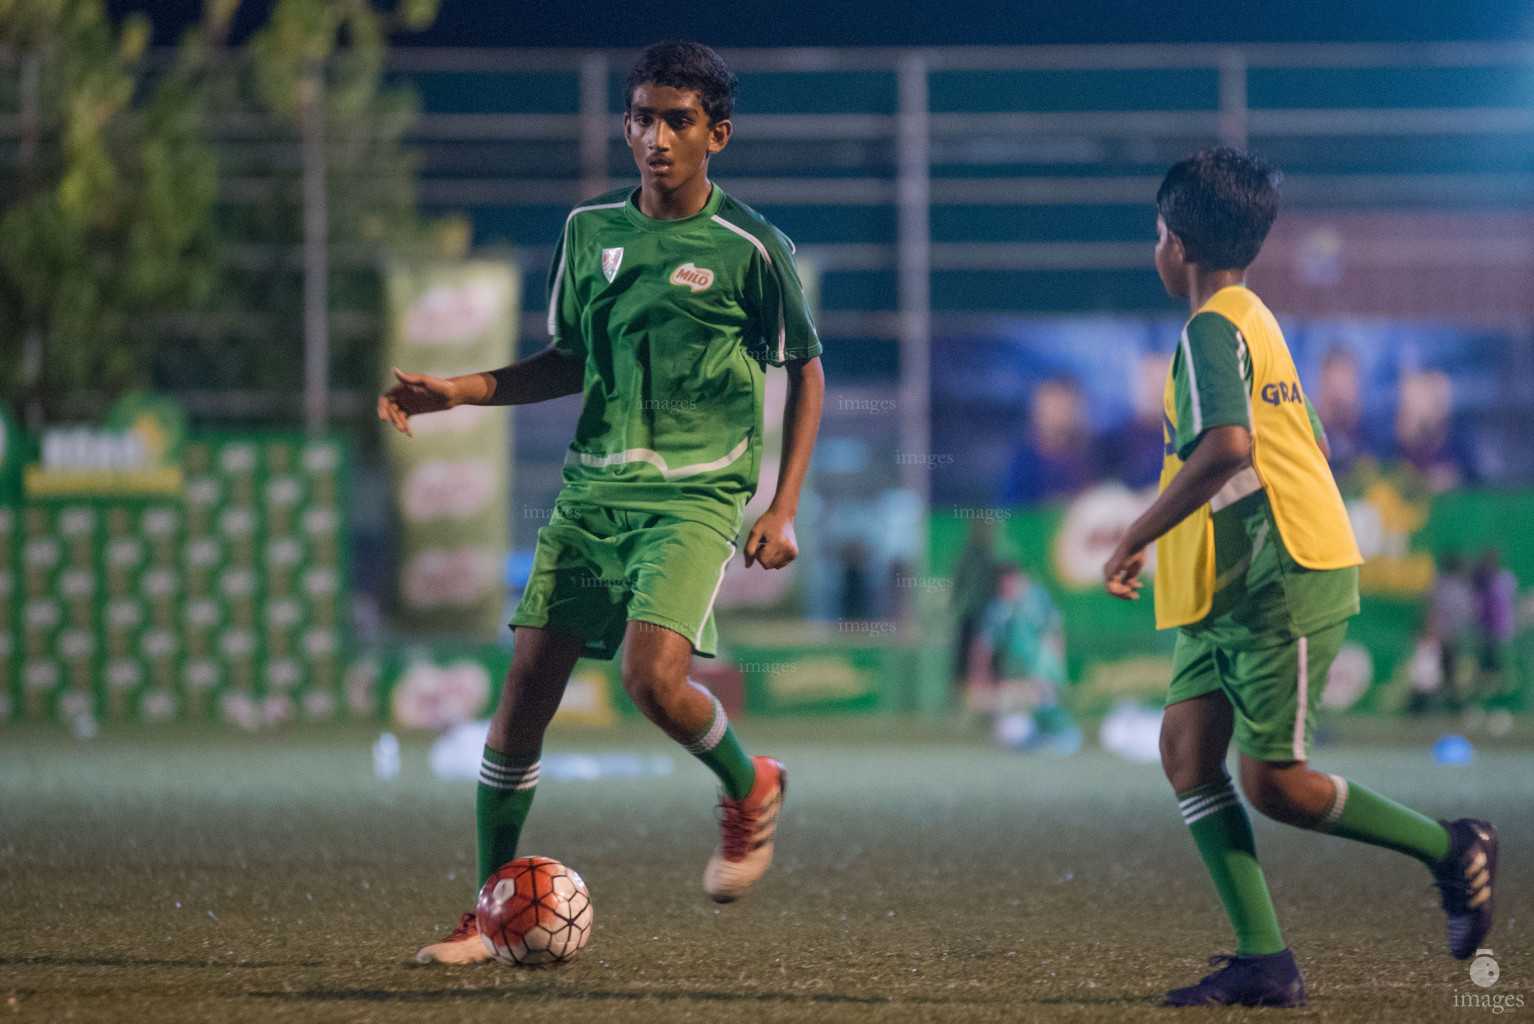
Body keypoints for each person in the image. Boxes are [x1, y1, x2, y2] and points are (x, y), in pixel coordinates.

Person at [379, 42, 825, 964]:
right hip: (594, 491)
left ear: (718, 135)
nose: (654, 137)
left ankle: (750, 787)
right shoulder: (587, 232)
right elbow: (566, 361)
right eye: (640, 117)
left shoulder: (752, 246)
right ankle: (485, 911)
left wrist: (782, 507)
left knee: (649, 680)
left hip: (699, 495)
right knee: (522, 700)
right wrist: (459, 390)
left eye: (677, 121)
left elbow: (808, 369)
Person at [1101, 147, 1498, 1008]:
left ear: (1180, 243)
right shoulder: (1255, 318)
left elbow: (1230, 447)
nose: (1156, 246)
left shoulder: (1212, 327)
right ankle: (1264, 961)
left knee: (1273, 783)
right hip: (1231, 582)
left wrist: (1136, 534)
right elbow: (1305, 437)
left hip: (1281, 576)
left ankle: (1454, 847)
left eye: (1157, 231)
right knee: (1185, 752)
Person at [966, 563, 1077, 753]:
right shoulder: (999, 608)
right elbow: (985, 643)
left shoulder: (1038, 600)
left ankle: (1065, 739)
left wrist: (1052, 666)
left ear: (1021, 581)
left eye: (1010, 585)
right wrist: (980, 675)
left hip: (1042, 667)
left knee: (1047, 704)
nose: (1007, 590)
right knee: (1009, 707)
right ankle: (1016, 742)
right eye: (1003, 586)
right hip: (1014, 670)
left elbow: (1054, 632)